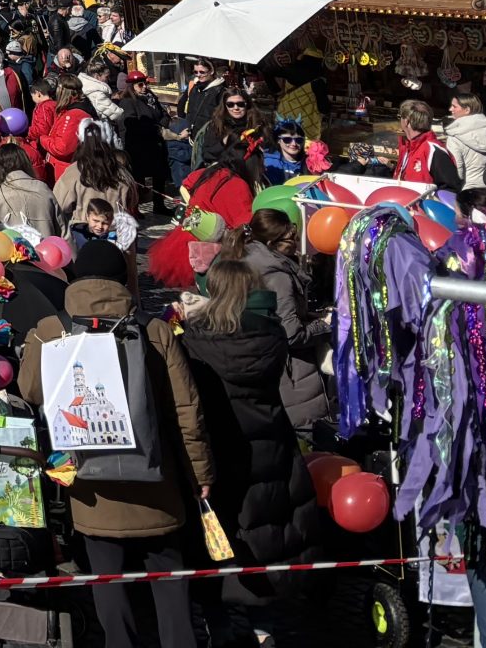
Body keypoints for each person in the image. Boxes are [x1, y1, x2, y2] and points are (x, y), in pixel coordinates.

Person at [17, 241, 214, 648]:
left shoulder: (51, 329)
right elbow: (186, 410)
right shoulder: (154, 329)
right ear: (124, 280)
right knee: (169, 579)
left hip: (89, 484)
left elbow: (31, 391)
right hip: (156, 481)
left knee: (108, 583)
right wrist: (200, 474)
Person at [178, 257, 315, 572]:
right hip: (270, 436)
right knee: (271, 519)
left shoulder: (195, 338)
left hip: (219, 439)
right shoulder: (271, 334)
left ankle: (226, 608)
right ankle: (272, 602)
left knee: (225, 527)